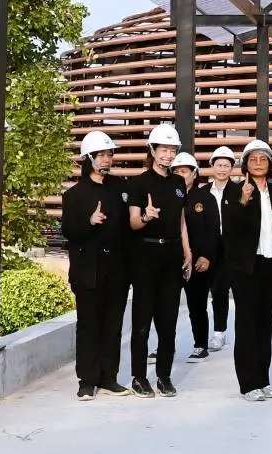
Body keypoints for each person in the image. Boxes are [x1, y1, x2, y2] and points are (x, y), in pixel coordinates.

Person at [221, 140, 272, 402]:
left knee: (265, 324)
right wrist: (242, 201)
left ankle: (263, 379)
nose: (259, 163)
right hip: (246, 268)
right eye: (253, 159)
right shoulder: (234, 191)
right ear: (245, 165)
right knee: (247, 324)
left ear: (271, 164)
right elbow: (230, 229)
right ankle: (248, 383)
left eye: (264, 159)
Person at [60, 130, 130, 401]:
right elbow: (69, 232)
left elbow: (127, 228)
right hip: (88, 269)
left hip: (117, 268)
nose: (106, 160)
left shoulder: (120, 187)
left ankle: (109, 377)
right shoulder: (74, 195)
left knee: (113, 325)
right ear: (87, 159)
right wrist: (89, 222)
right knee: (89, 325)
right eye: (100, 155)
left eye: (109, 154)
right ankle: (87, 380)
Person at [126, 121, 188, 397]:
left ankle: (164, 375)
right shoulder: (138, 183)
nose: (168, 155)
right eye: (163, 149)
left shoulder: (178, 182)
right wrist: (146, 216)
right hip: (146, 254)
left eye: (172, 150)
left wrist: (188, 251)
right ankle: (139, 377)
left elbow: (181, 220)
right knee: (142, 320)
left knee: (168, 320)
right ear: (152, 150)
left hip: (172, 255)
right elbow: (133, 222)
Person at [177, 152, 220, 362]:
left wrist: (206, 256)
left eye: (184, 171)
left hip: (198, 261)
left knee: (197, 305)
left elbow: (213, 230)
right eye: (176, 171)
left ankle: (200, 344)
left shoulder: (205, 197)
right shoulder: (168, 196)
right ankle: (164, 346)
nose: (180, 175)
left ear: (194, 173)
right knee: (165, 306)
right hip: (171, 259)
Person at [203, 147, 236, 353]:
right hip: (209, 246)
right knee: (216, 290)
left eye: (226, 165)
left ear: (232, 168)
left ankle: (240, 332)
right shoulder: (202, 192)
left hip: (233, 246)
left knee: (234, 291)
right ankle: (218, 332)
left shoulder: (240, 190)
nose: (222, 169)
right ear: (212, 166)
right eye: (219, 165)